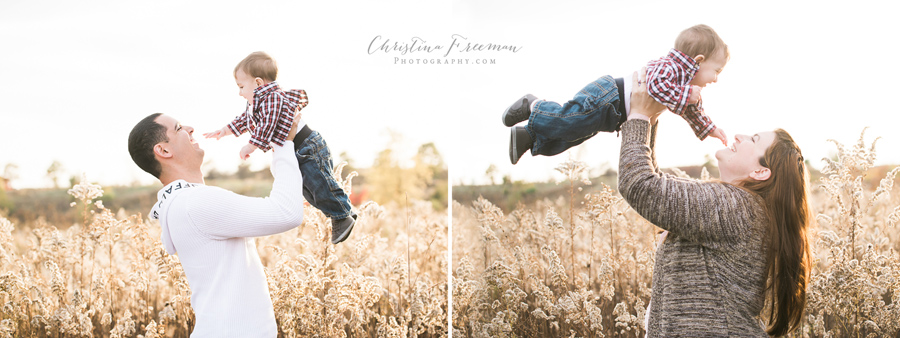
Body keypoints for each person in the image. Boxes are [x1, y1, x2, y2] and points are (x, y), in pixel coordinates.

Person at [620, 69, 812, 337]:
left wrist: (639, 116)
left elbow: (640, 185)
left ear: (760, 172)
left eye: (753, 140)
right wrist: (651, 117)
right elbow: (658, 188)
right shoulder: (743, 208)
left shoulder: (737, 208)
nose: (739, 136)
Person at [128, 112, 305, 337]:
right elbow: (286, 212)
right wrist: (283, 144)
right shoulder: (195, 202)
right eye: (179, 127)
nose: (190, 128)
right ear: (164, 150)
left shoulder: (179, 203)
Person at [504, 24, 729, 165]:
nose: (716, 79)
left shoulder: (683, 87)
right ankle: (532, 104)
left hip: (614, 114)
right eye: (716, 71)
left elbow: (693, 111)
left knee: (572, 135)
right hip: (608, 97)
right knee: (569, 121)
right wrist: (687, 94)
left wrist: (710, 128)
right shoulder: (669, 66)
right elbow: (656, 87)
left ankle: (527, 137)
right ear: (698, 61)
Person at [204, 51, 355, 244]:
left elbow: (268, 123)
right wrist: (225, 130)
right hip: (297, 149)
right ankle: (343, 213)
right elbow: (244, 120)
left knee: (319, 184)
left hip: (307, 146)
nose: (240, 93)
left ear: (258, 83)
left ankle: (342, 215)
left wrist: (252, 145)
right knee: (307, 190)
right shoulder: (257, 103)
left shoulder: (273, 98)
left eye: (241, 87)